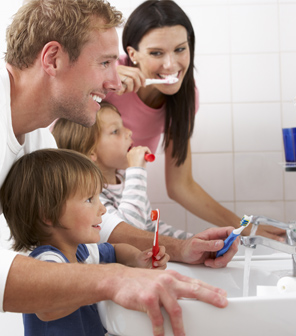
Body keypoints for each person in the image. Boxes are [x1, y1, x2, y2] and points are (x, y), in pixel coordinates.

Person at [0, 1, 236, 335]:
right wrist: (113, 278)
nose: (115, 82)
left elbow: (102, 222)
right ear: (53, 58)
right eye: (105, 63)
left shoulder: (38, 138)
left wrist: (180, 248)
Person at [104, 0, 285, 241]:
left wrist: (245, 227)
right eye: (157, 53)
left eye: (180, 49)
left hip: (122, 199)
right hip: (84, 194)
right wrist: (98, 82)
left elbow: (181, 186)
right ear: (132, 54)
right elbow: (62, 137)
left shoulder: (185, 98)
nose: (171, 65)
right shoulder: (107, 75)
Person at [0, 148, 170, 335]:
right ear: (48, 213)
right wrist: (107, 287)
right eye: (90, 199)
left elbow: (115, 250)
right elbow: (49, 308)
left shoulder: (83, 251)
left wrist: (138, 258)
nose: (102, 210)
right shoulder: (47, 260)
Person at [52, 101, 193, 240]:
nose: (129, 132)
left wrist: (192, 241)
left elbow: (150, 226)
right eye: (115, 131)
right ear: (92, 152)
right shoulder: (91, 195)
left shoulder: (124, 179)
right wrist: (136, 171)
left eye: (123, 126)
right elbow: (132, 233)